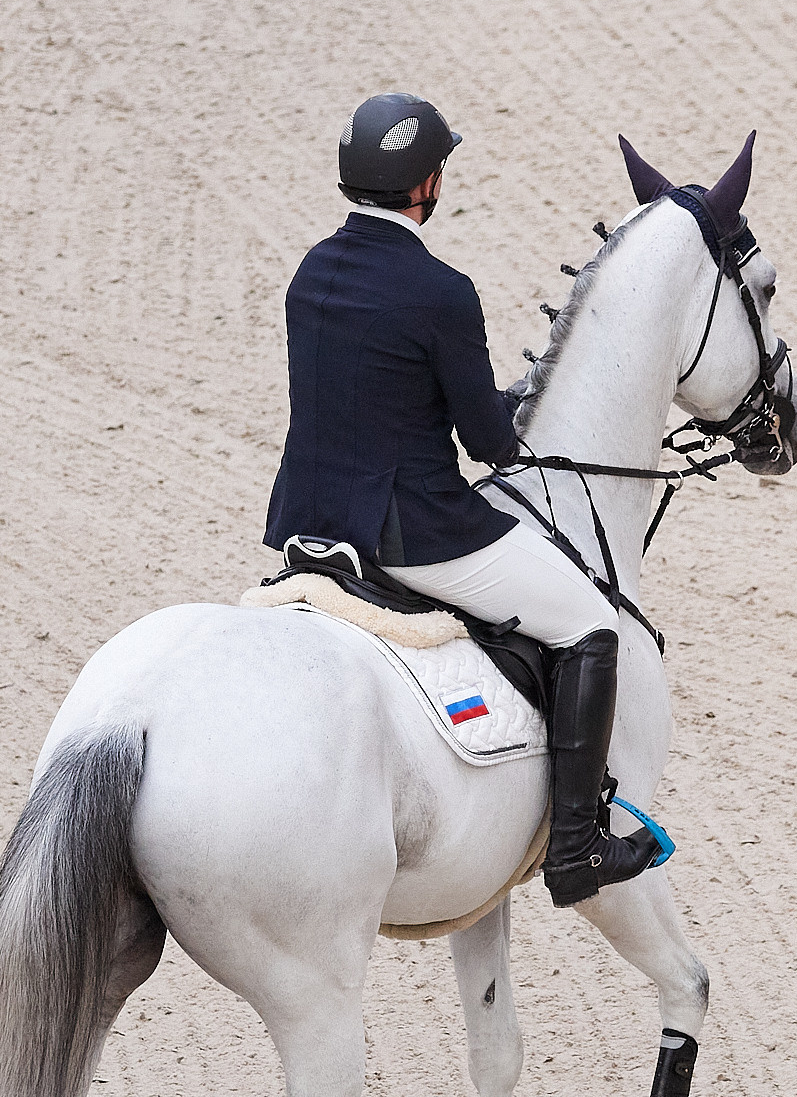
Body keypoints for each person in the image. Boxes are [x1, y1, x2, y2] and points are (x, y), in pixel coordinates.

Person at [265, 91, 660, 908]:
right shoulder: (440, 290)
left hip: (312, 522)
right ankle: (577, 849)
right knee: (591, 620)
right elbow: (487, 443)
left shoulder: (310, 272)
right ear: (425, 185)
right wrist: (511, 403)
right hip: (413, 532)